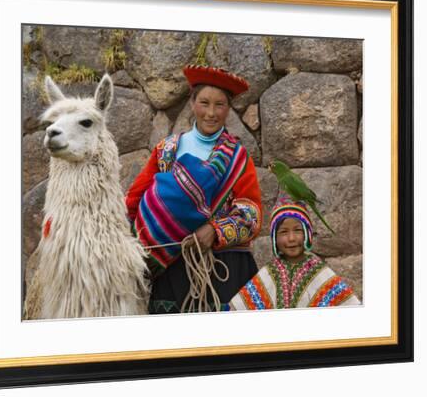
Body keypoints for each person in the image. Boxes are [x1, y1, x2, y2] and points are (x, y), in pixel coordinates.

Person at [125, 65, 262, 314]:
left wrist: (215, 230)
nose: (211, 113)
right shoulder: (166, 150)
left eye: (219, 105)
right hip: (170, 267)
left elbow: (251, 216)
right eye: (204, 103)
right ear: (192, 103)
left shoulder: (238, 159)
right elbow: (133, 202)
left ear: (228, 109)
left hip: (224, 270)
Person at [229, 195, 361, 310]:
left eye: (297, 230)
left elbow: (349, 308)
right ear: (275, 238)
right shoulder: (266, 276)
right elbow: (239, 310)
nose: (291, 238)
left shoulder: (321, 274)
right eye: (284, 232)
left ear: (307, 234)